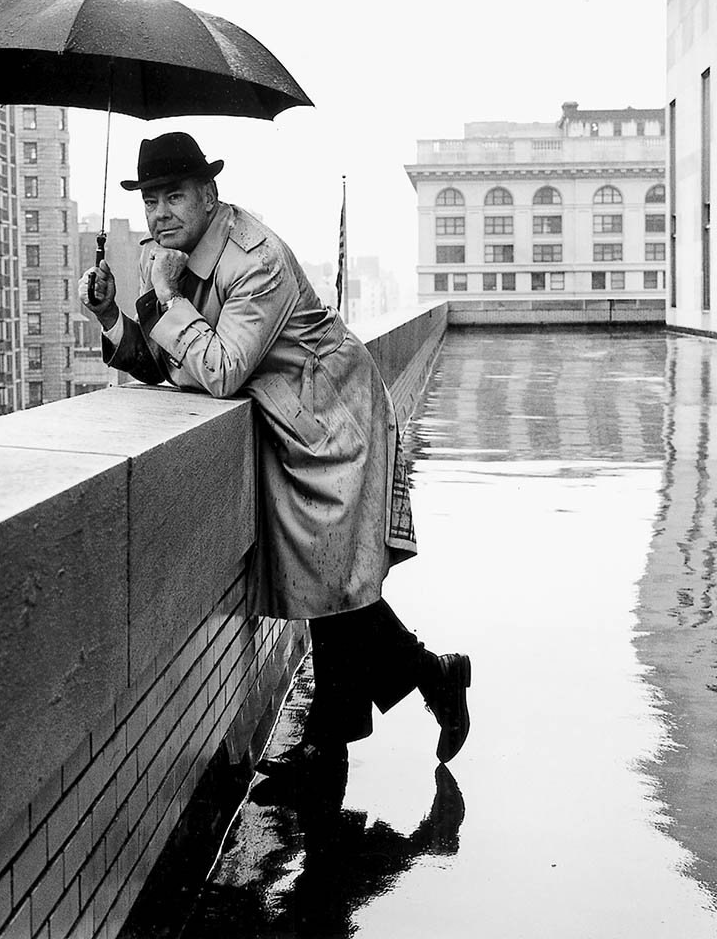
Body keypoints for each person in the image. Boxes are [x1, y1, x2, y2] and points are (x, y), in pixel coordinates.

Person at [78, 131, 470, 780]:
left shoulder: (255, 259)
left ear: (209, 194)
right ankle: (404, 696)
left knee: (329, 584)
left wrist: (168, 301)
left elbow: (222, 369)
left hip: (334, 416)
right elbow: (173, 365)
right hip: (291, 422)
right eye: (150, 201)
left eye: (173, 196)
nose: (159, 214)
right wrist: (110, 316)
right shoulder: (178, 260)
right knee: (326, 587)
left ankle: (350, 732)